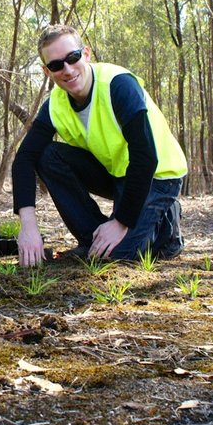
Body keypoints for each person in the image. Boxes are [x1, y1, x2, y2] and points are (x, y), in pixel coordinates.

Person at [12, 24, 186, 266]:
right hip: (117, 175)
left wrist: (120, 222)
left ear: (86, 53)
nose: (67, 70)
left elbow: (145, 155)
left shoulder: (118, 85)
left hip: (158, 175)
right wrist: (29, 227)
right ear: (47, 71)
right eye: (56, 65)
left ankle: (166, 229)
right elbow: (24, 158)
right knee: (47, 155)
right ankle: (92, 239)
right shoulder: (55, 105)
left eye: (73, 58)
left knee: (119, 258)